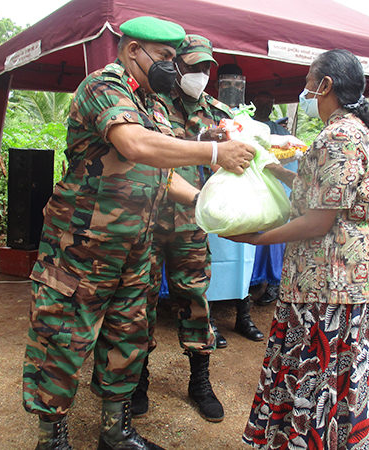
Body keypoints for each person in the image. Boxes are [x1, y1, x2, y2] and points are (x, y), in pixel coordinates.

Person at [22, 17, 256, 450]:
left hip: (137, 248)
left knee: (126, 338)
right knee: (63, 339)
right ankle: (51, 440)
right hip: (81, 249)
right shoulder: (102, 87)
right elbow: (135, 145)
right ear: (134, 52)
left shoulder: (154, 103)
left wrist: (210, 207)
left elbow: (163, 174)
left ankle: (116, 431)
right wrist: (215, 152)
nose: (173, 67)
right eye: (165, 57)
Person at [232, 49, 369, 450]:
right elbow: (317, 187)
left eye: (308, 82)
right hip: (335, 284)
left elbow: (319, 221)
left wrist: (256, 238)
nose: (304, 91)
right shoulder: (351, 132)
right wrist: (271, 166)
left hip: (329, 288)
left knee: (318, 377)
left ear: (326, 86)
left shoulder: (340, 136)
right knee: (326, 378)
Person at [134, 34, 228, 423]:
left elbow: (226, 167)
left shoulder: (218, 112)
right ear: (176, 67)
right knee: (139, 302)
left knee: (195, 301)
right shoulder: (150, 104)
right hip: (150, 220)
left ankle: (200, 381)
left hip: (192, 223)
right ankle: (137, 380)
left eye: (206, 68)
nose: (201, 74)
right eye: (193, 67)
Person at [204, 63, 265, 346]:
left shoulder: (249, 117)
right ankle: (210, 319)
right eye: (227, 83)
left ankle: (243, 315)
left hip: (245, 194)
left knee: (246, 255)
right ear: (218, 84)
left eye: (238, 83)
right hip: (216, 192)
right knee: (212, 255)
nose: (233, 88)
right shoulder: (206, 112)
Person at [249, 91, 295, 305]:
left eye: (269, 103)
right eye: (260, 102)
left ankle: (274, 283)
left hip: (272, 196)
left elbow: (290, 166)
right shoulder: (244, 127)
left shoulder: (281, 134)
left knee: (274, 238)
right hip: (248, 194)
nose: (264, 107)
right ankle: (252, 280)